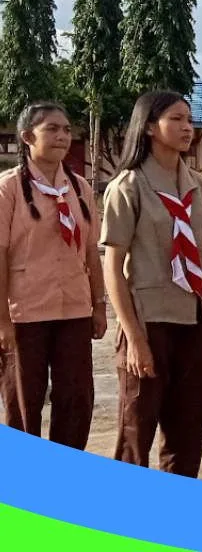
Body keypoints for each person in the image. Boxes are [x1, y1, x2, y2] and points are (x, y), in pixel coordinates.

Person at [100, 91, 202, 477]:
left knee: (188, 430)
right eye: (176, 119)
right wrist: (135, 339)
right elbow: (113, 266)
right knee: (136, 429)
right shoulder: (129, 187)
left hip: (195, 321)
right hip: (149, 323)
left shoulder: (199, 187)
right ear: (150, 127)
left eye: (189, 119)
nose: (187, 128)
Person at [0, 102, 106, 450]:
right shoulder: (9, 189)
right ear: (28, 137)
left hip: (73, 310)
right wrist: (2, 321)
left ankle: (67, 479)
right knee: (23, 402)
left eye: (66, 129)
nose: (62, 136)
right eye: (52, 129)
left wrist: (98, 304)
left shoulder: (79, 188)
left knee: (76, 399)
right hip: (25, 313)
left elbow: (91, 250)